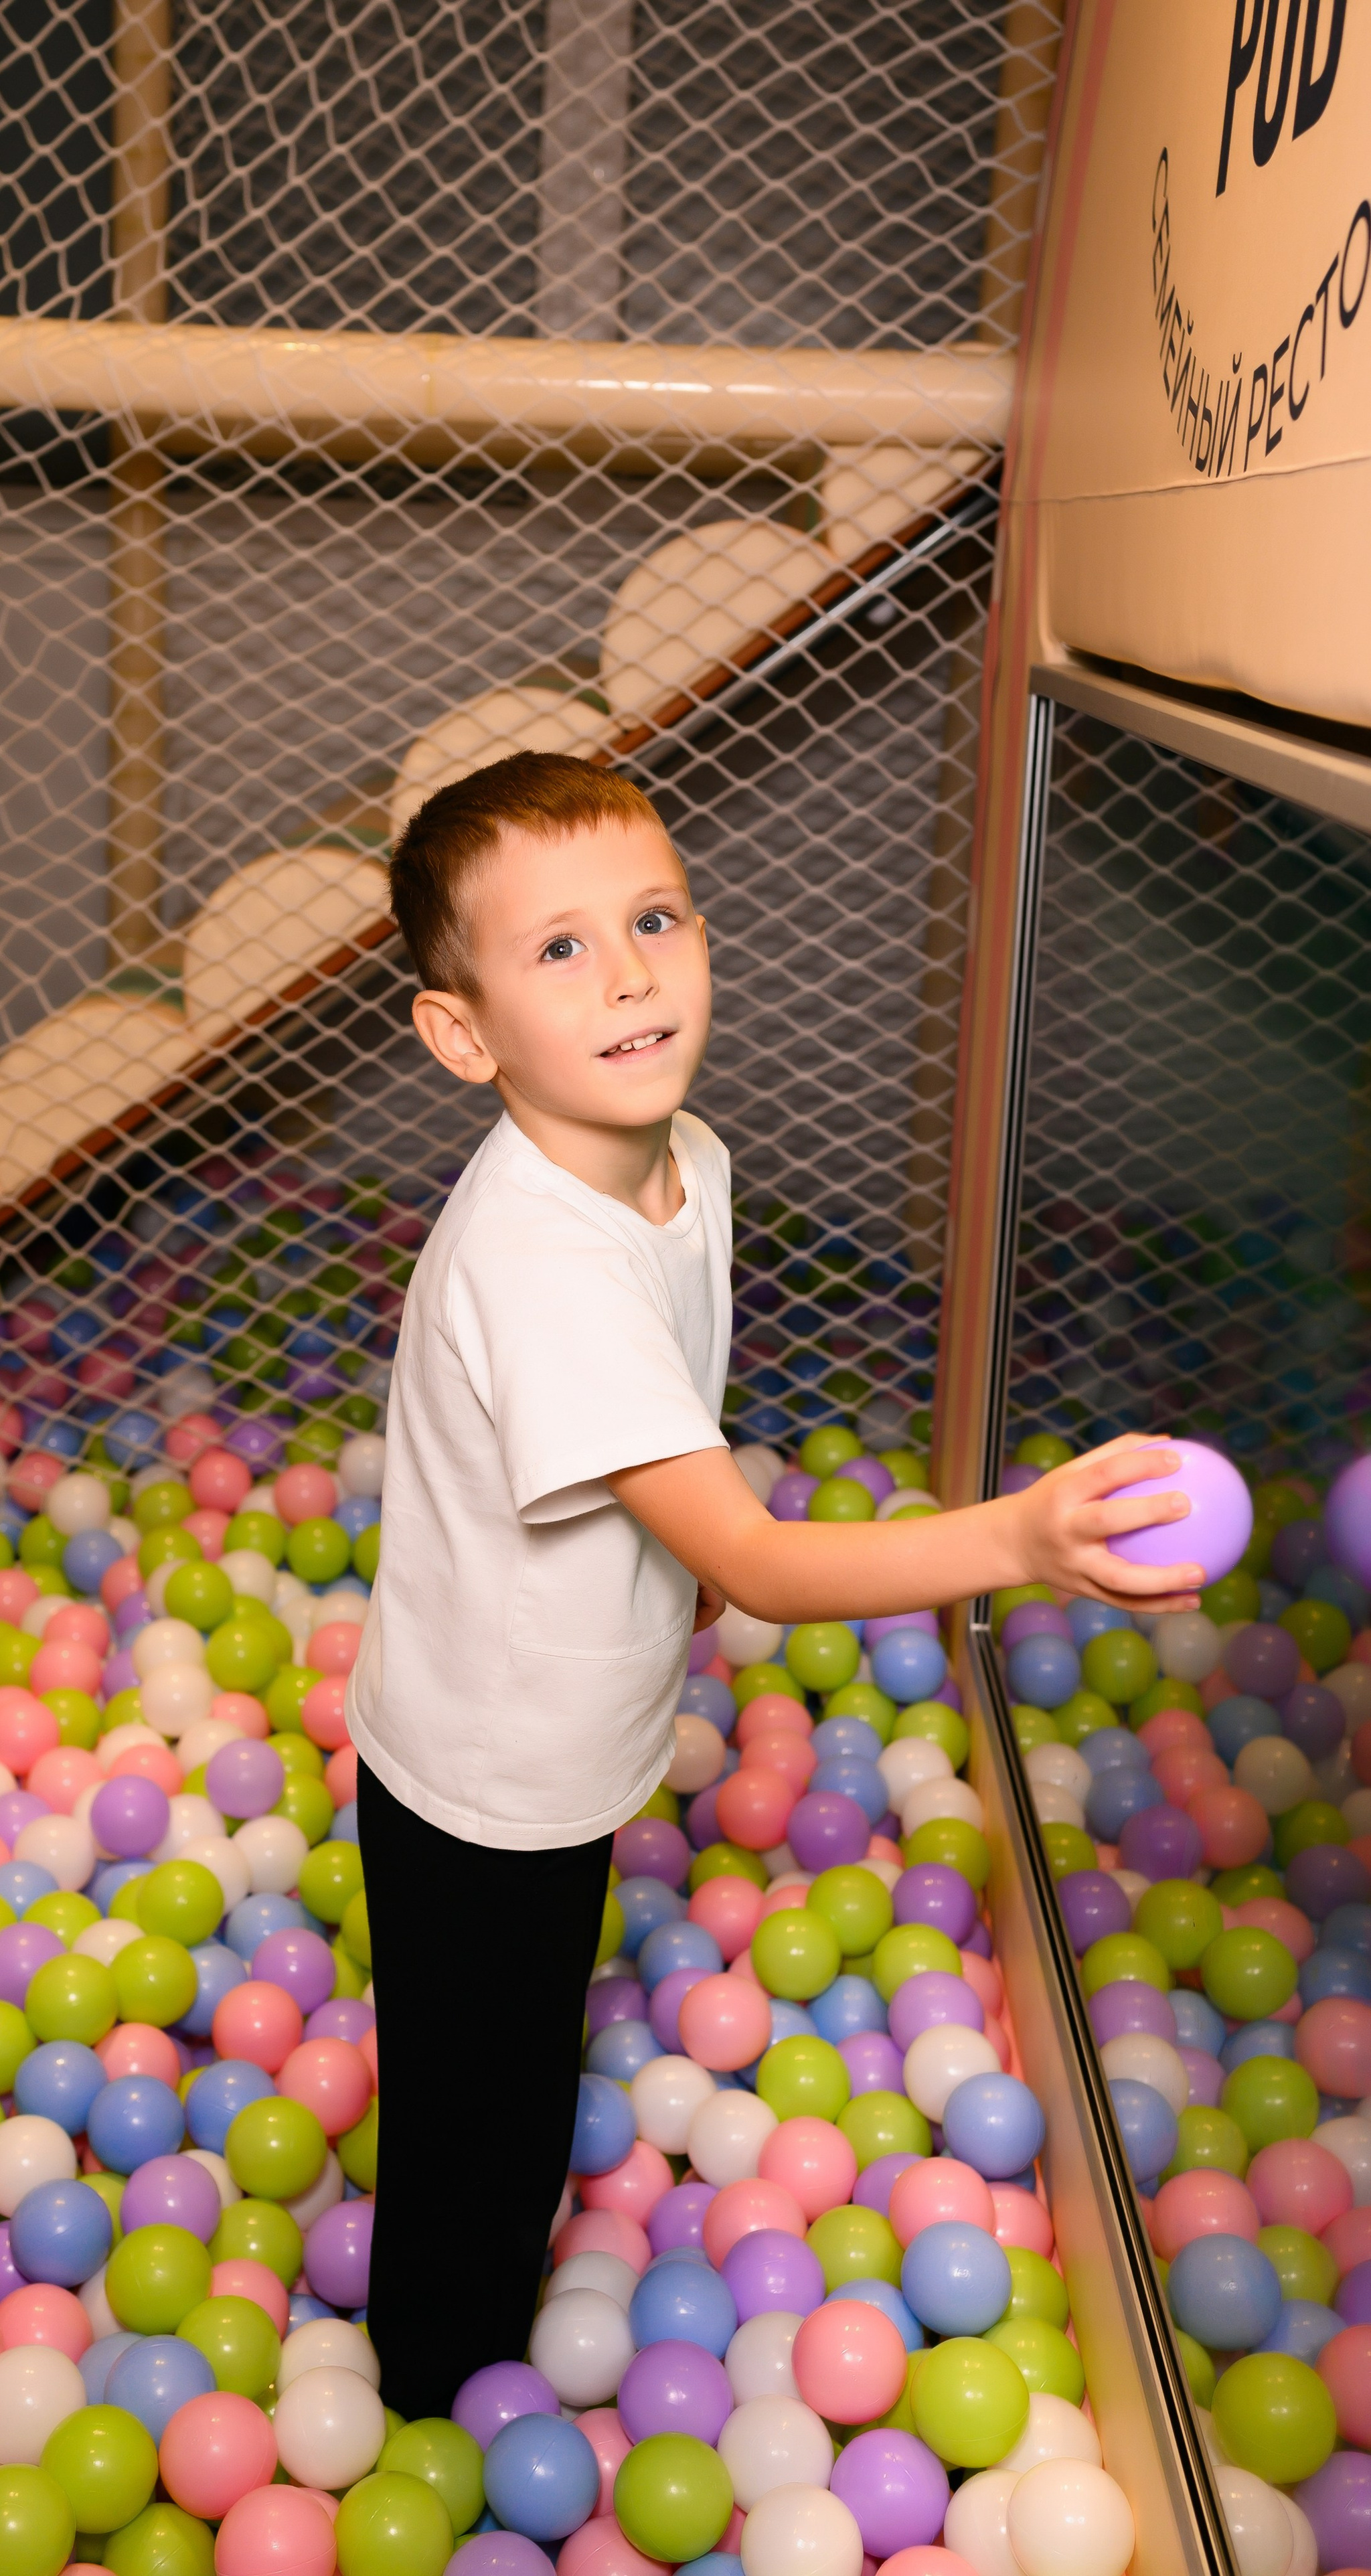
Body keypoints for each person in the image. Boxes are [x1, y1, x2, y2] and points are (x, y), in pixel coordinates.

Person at [344, 748, 1202, 2415]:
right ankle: (431, 2405)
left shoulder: (682, 1159)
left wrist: (670, 1597)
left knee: (519, 2058)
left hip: (570, 1727)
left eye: (654, 916)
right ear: (463, 1035)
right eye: (560, 949)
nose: (632, 970)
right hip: (480, 1778)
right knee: (482, 2108)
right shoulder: (537, 1262)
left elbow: (671, 1464)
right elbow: (746, 1542)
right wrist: (1016, 1539)